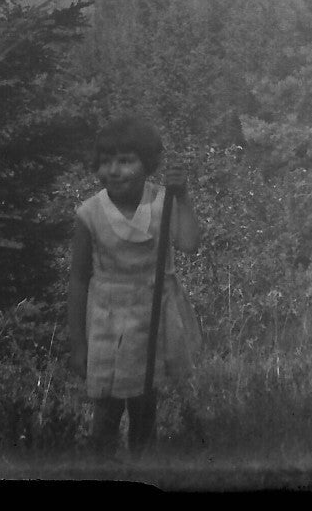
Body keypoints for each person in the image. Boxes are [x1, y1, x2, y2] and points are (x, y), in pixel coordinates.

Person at [68, 116, 202, 458]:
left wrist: (183, 196)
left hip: (152, 318)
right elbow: (79, 279)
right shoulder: (89, 214)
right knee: (107, 408)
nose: (114, 170)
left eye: (126, 161)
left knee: (145, 404)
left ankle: (142, 468)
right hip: (108, 323)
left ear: (147, 164)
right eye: (106, 161)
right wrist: (78, 343)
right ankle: (102, 469)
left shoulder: (162, 201)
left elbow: (188, 243)